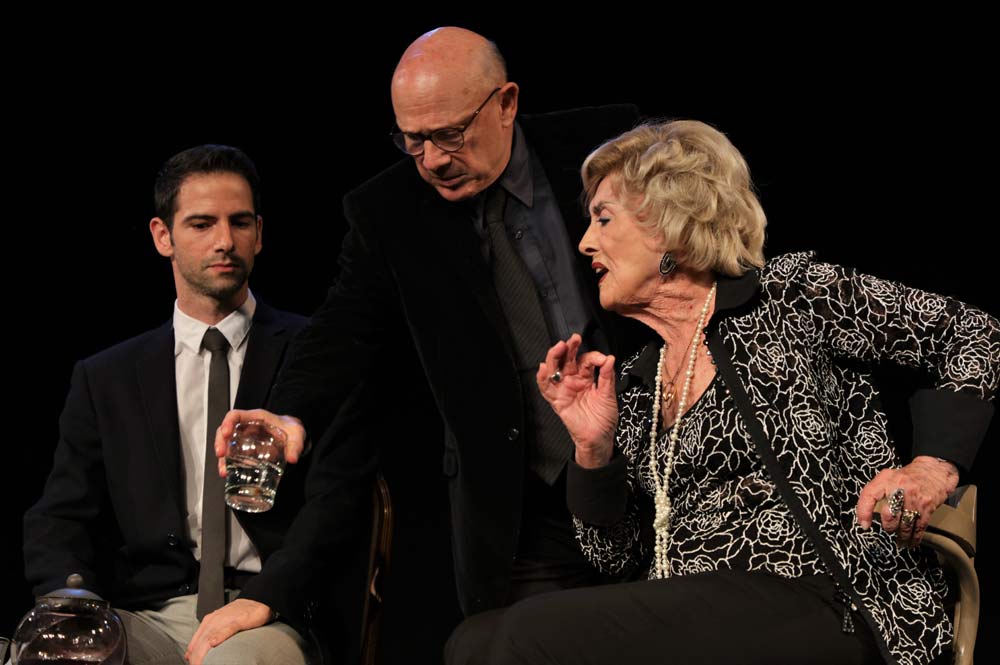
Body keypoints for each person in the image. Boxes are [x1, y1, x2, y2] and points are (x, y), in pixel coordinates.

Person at [471, 119, 997, 664]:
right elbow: (615, 557)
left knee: (528, 632)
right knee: (474, 641)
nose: (585, 242)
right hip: (689, 615)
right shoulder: (637, 382)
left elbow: (968, 333)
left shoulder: (789, 298)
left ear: (669, 226)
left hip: (824, 595)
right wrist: (593, 450)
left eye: (604, 218)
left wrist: (931, 468)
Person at [213, 26, 649, 657]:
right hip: (528, 506)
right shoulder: (389, 212)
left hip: (664, 466)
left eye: (450, 134)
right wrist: (288, 413)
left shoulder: (607, 145)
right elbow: (342, 329)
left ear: (506, 103)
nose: (433, 160)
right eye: (412, 140)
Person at [23, 145, 315, 665]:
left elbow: (342, 503)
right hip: (150, 613)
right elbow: (60, 515)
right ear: (163, 236)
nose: (225, 241)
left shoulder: (314, 354)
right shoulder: (107, 377)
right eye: (202, 224)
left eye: (239, 222)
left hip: (273, 610)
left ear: (259, 233)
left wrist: (270, 595)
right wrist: (71, 600)